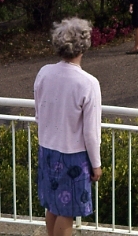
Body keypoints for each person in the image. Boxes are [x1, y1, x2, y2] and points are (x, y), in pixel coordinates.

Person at [34, 18, 102, 236]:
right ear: (84, 45)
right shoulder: (88, 83)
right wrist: (96, 164)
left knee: (53, 206)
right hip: (73, 157)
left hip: (47, 151)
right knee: (68, 212)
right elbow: (90, 132)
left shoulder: (44, 73)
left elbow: (39, 113)